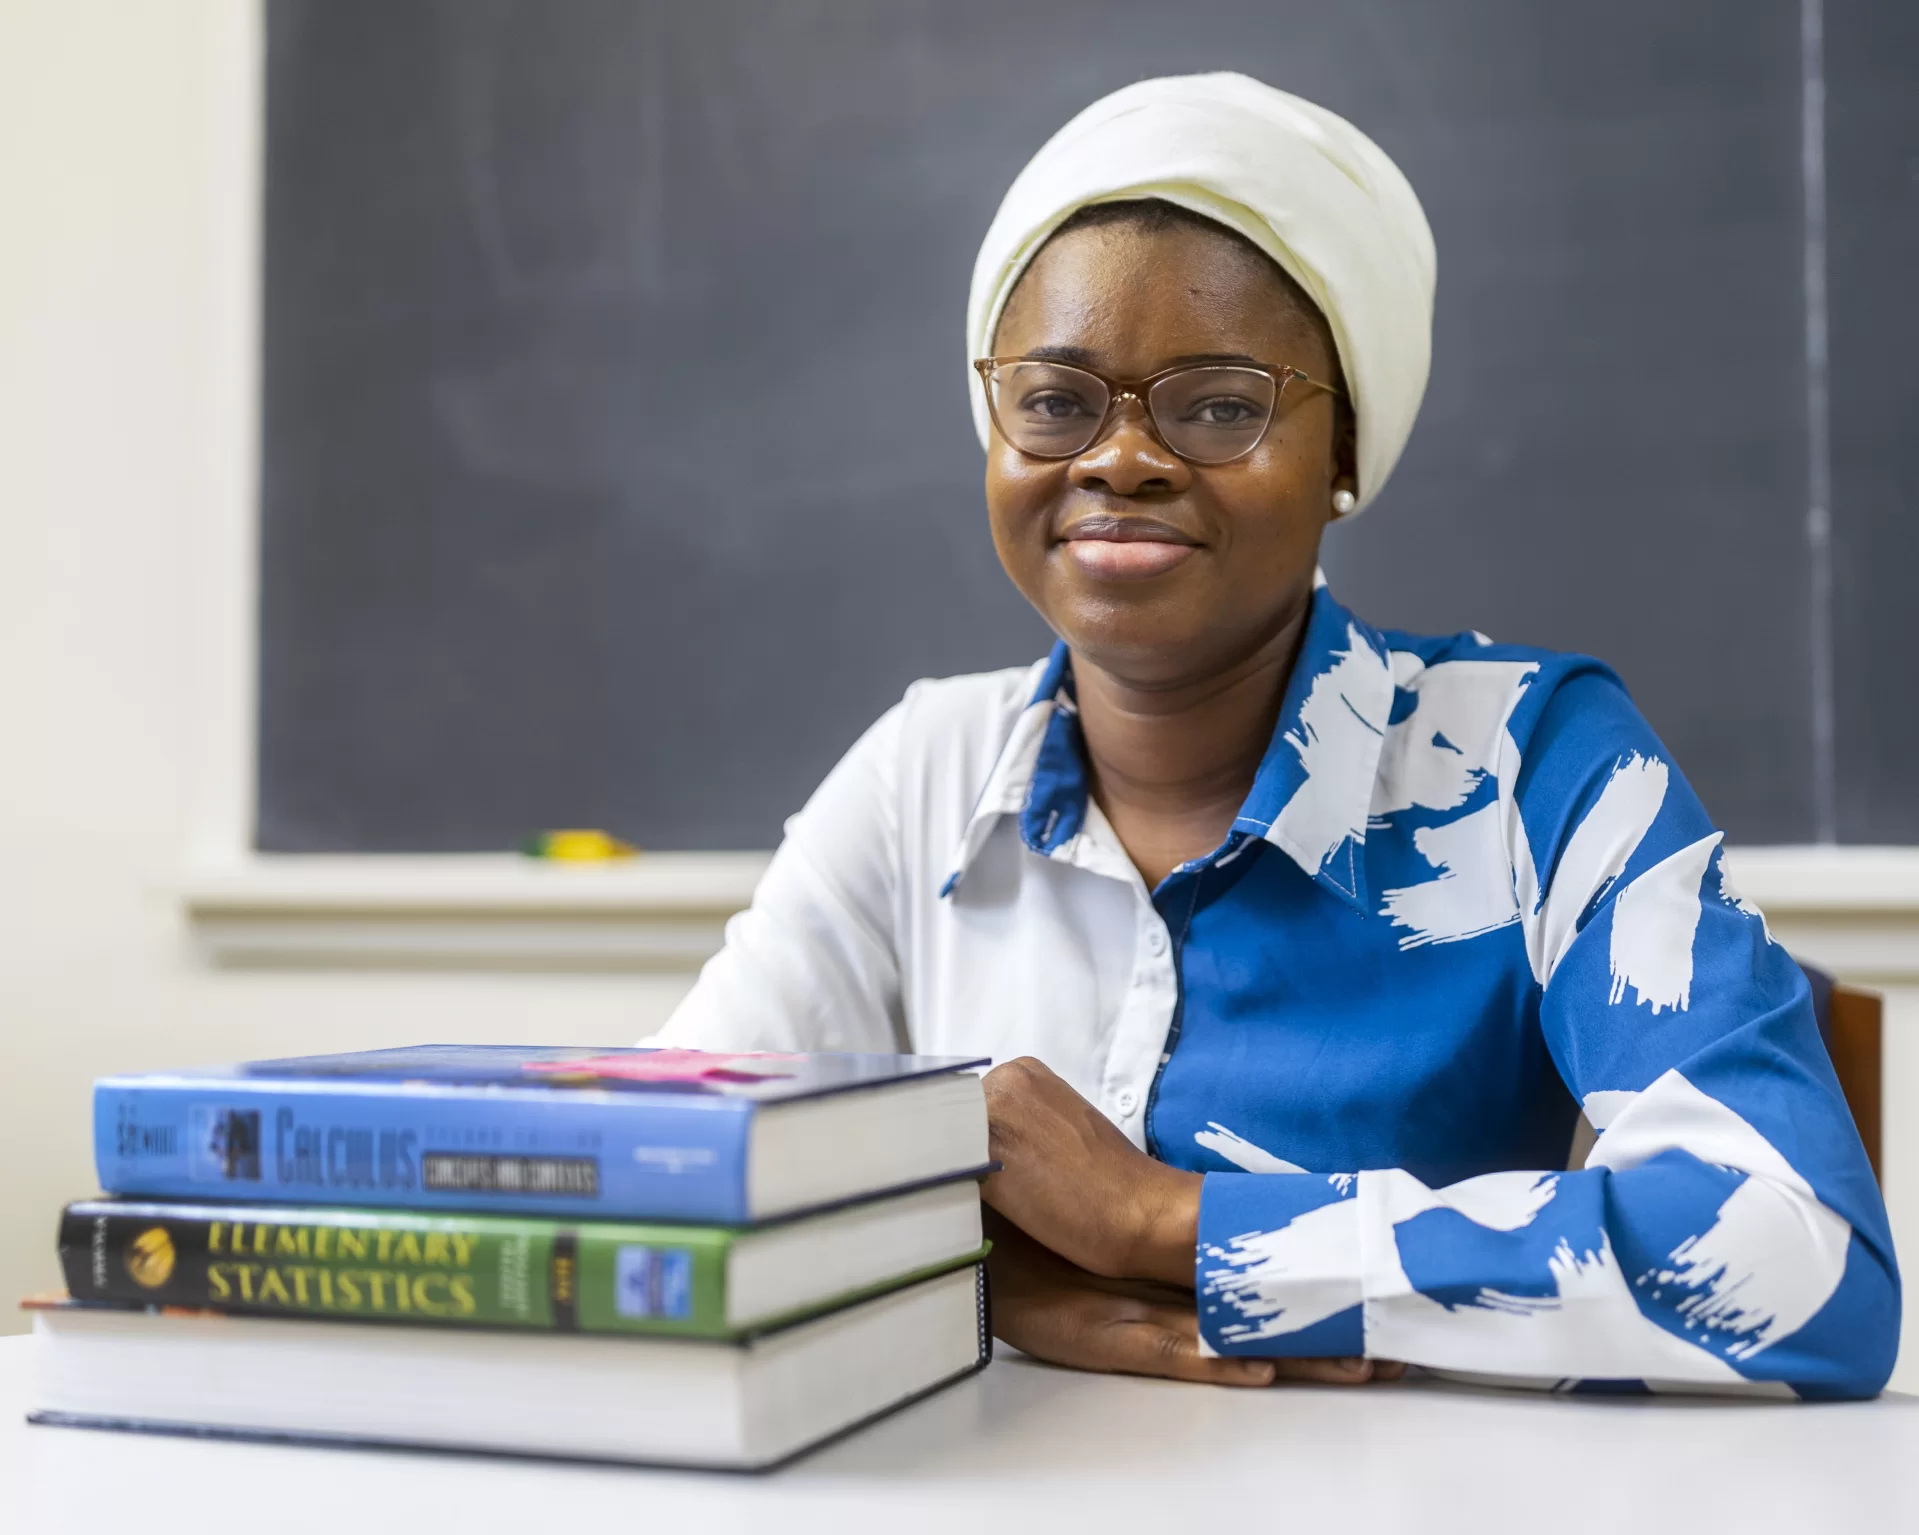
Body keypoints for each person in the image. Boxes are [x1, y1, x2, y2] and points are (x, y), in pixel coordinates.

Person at [653, 74, 1898, 1397]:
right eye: (1056, 398)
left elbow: (1796, 1263)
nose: (1120, 459)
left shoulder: (1528, 763)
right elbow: (661, 1184)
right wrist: (991, 1286)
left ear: (1342, 448)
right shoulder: (925, 774)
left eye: (1217, 403)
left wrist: (1160, 1223)